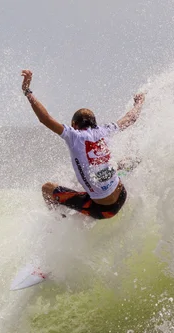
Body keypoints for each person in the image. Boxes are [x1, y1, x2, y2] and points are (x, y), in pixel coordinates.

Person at [21, 69, 145, 220]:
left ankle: (58, 221)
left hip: (103, 210)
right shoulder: (106, 130)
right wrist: (139, 102)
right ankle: (138, 164)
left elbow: (45, 118)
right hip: (122, 196)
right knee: (118, 164)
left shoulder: (73, 136)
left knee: (47, 189)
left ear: (73, 124)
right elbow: (131, 118)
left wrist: (27, 91)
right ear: (95, 123)